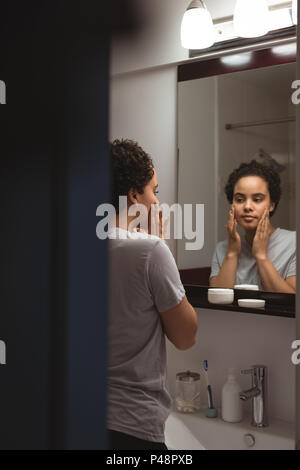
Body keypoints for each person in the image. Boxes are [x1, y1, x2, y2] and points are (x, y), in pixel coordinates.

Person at [106, 139, 198, 450]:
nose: (157, 202)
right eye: (154, 191)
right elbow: (186, 336)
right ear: (134, 194)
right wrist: (159, 247)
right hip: (132, 424)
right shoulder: (149, 251)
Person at [209, 160, 296, 293]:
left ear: (272, 204)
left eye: (257, 199)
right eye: (239, 199)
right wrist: (232, 253)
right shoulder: (222, 249)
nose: (247, 207)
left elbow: (292, 306)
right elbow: (217, 301)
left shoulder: (294, 243)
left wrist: (261, 255)